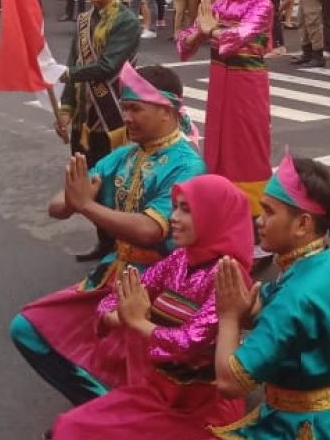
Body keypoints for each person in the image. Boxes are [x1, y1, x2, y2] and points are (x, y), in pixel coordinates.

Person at [11, 64, 206, 406]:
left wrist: (85, 205)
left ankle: (116, 418)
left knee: (135, 371)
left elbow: (149, 231)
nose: (126, 117)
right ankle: (97, 408)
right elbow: (58, 205)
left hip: (163, 287)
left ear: (165, 110)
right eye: (124, 107)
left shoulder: (186, 165)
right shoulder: (125, 155)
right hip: (116, 272)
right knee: (28, 330)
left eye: (134, 109)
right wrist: (75, 199)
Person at [163, 154, 330, 440]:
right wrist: (242, 309)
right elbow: (268, 315)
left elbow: (230, 381)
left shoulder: (298, 296)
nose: (259, 221)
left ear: (302, 224)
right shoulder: (318, 260)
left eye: (268, 212)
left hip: (309, 433)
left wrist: (228, 317)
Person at [47, 175, 253, 440]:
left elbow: (189, 343)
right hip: (161, 394)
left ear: (214, 216)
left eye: (187, 210)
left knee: (86, 437)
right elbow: (116, 300)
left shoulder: (229, 274)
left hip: (201, 411)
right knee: (72, 427)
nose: (174, 218)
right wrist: (120, 315)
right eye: (175, 207)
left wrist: (137, 322)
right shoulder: (180, 259)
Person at [177, 0, 273, 225]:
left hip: (247, 86)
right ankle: (223, 210)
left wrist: (212, 30)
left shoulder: (261, 3)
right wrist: (200, 33)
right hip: (220, 85)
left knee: (247, 148)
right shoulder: (218, 4)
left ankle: (255, 218)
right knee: (219, 145)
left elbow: (240, 36)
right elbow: (185, 41)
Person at [57, 0, 143, 262]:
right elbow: (73, 65)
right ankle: (104, 242)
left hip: (116, 119)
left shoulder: (127, 21)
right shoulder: (83, 20)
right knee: (88, 183)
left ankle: (127, 244)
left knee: (117, 185)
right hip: (84, 121)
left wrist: (66, 73)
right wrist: (66, 109)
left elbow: (107, 67)